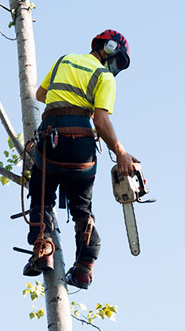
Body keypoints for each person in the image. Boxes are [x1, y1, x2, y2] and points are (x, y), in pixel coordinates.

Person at [23, 29, 139, 289]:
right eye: (118, 60)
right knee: (82, 208)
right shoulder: (105, 77)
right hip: (82, 150)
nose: (116, 66)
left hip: (51, 141)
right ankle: (84, 268)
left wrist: (63, 98)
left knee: (41, 196)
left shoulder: (64, 60)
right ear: (108, 48)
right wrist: (120, 152)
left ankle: (44, 250)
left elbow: (41, 95)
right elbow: (100, 119)